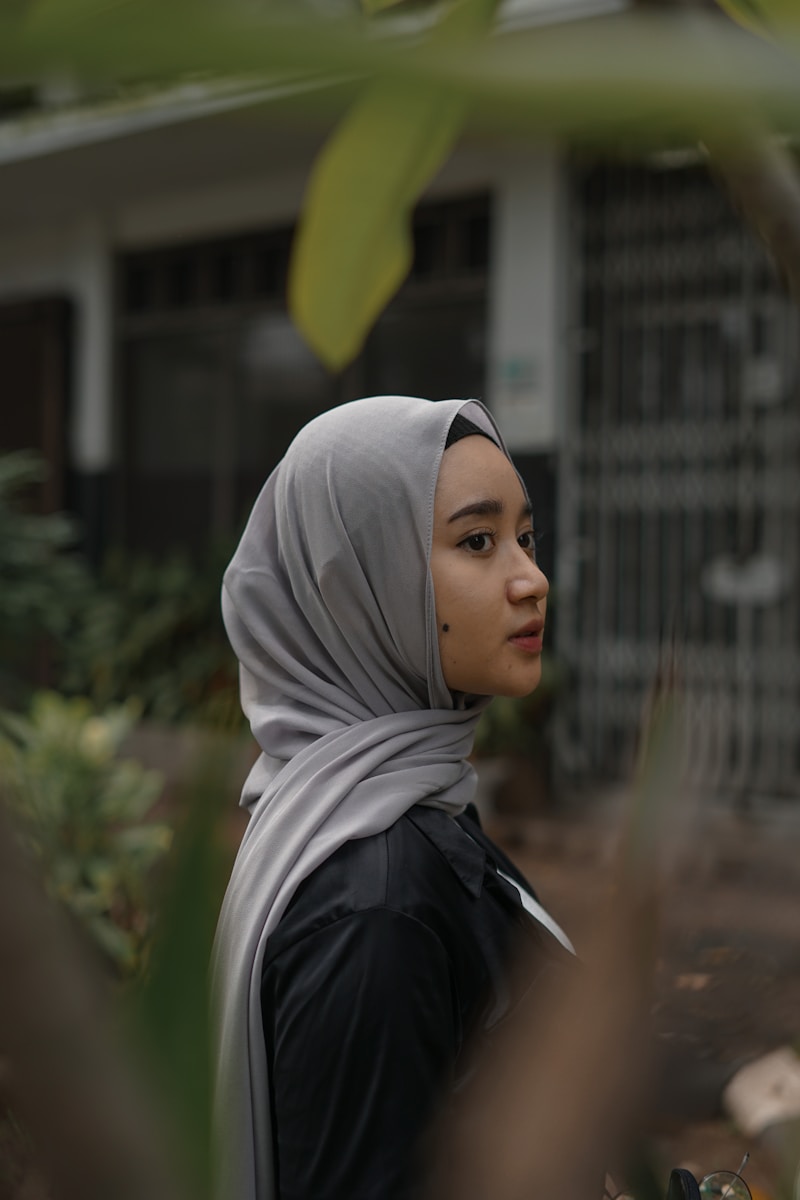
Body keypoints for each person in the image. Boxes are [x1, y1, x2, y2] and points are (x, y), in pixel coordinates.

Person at [211, 395, 574, 1200]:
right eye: (478, 542)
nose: (532, 580)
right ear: (358, 582)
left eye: (525, 537)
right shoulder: (376, 909)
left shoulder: (385, 807)